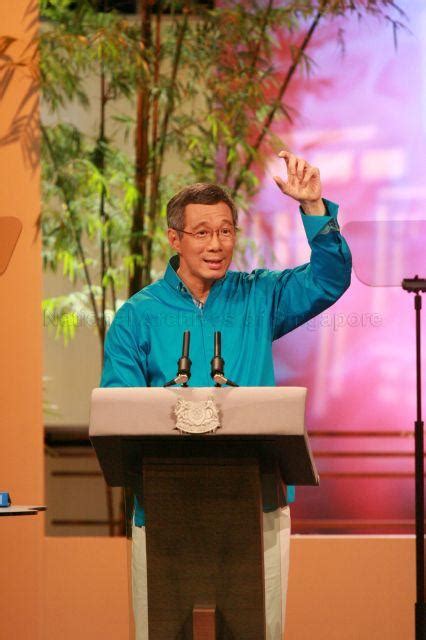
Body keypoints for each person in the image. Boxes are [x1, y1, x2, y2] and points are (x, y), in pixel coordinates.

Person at [100, 150, 352, 639]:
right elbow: (119, 415)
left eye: (226, 231)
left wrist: (315, 207)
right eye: (202, 233)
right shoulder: (138, 315)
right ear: (174, 238)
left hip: (256, 501)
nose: (216, 245)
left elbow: (328, 279)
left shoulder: (260, 296)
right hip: (165, 506)